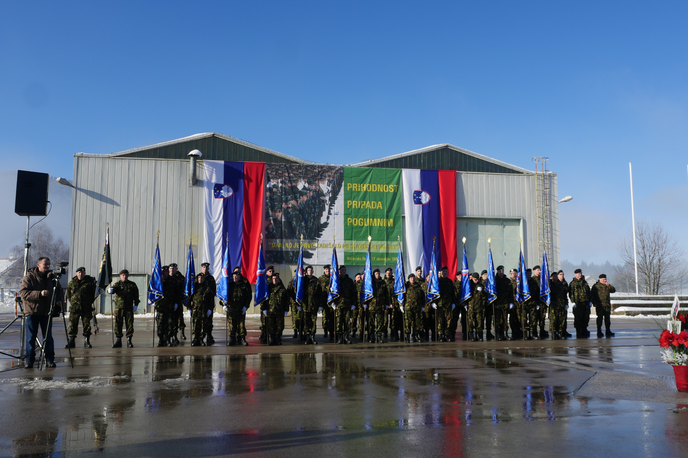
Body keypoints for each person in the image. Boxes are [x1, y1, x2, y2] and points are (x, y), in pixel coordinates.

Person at [20, 257, 63, 368]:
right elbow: (24, 293)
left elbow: (59, 291)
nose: (47, 266)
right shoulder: (29, 277)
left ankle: (49, 359)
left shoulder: (52, 278)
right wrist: (39, 294)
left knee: (48, 337)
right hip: (32, 312)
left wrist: (58, 301)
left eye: (48, 264)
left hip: (46, 313)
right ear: (38, 265)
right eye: (45, 264)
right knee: (31, 338)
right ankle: (29, 360)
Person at [65, 266, 97, 348]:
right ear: (76, 273)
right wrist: (72, 301)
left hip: (86, 308)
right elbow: (68, 294)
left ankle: (87, 341)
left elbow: (94, 293)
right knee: (73, 325)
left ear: (84, 273)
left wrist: (89, 302)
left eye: (82, 272)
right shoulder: (72, 282)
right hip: (75, 308)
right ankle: (71, 341)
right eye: (79, 272)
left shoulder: (89, 282)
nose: (80, 274)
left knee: (87, 325)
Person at [109, 269, 140, 348]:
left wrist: (136, 304)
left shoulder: (132, 285)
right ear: (120, 276)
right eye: (123, 275)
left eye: (126, 275)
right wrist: (110, 291)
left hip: (129, 308)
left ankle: (129, 340)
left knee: (129, 324)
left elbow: (136, 296)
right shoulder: (117, 284)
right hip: (119, 308)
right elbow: (113, 290)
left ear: (128, 275)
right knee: (118, 324)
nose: (124, 276)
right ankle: (118, 340)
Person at [190, 273, 214, 346]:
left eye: (202, 278)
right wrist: (189, 308)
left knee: (203, 325)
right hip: (195, 310)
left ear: (204, 279)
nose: (200, 279)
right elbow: (189, 298)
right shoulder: (193, 288)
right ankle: (195, 339)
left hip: (204, 310)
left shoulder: (207, 288)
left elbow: (211, 300)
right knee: (195, 325)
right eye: (199, 278)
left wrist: (210, 309)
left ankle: (201, 339)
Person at [266, 273, 289, 345]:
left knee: (280, 326)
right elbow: (264, 299)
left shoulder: (282, 289)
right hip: (271, 310)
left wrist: (286, 310)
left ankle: (278, 338)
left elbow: (286, 300)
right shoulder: (268, 288)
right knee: (271, 325)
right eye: (273, 279)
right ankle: (272, 339)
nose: (274, 280)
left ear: (278, 279)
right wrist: (264, 308)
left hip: (280, 310)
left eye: (276, 279)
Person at [569, 269, 592, 338]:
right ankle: (578, 331)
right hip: (578, 304)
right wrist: (573, 302)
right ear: (575, 274)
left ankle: (584, 330)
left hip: (585, 303)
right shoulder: (572, 283)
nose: (580, 275)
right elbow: (571, 293)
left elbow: (589, 292)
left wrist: (590, 301)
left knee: (586, 318)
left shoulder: (585, 283)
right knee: (578, 319)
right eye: (578, 274)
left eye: (580, 273)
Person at [199, 262, 217, 345]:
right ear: (201, 268)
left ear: (208, 268)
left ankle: (209, 336)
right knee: (199, 322)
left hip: (208, 303)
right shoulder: (198, 277)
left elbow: (213, 292)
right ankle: (199, 338)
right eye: (203, 267)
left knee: (209, 321)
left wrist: (210, 307)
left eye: (206, 267)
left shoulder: (211, 279)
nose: (205, 268)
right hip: (199, 305)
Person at [404, 273, 424, 342]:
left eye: (413, 278)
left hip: (417, 307)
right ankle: (407, 336)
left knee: (417, 322)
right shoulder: (406, 286)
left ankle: (416, 335)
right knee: (408, 322)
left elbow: (422, 296)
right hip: (408, 307)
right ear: (409, 279)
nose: (412, 279)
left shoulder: (418, 286)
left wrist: (422, 306)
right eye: (411, 278)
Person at [169, 263, 186, 341]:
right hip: (169, 302)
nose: (172, 270)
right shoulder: (166, 277)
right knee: (171, 319)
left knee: (179, 318)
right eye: (171, 268)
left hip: (178, 301)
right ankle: (172, 335)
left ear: (176, 269)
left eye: (174, 268)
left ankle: (182, 333)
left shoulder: (180, 278)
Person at [549, 270, 569, 340]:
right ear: (551, 277)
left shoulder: (561, 284)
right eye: (553, 276)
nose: (555, 277)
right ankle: (553, 333)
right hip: (553, 306)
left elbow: (564, 295)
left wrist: (566, 304)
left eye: (556, 276)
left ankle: (560, 333)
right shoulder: (549, 285)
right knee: (553, 320)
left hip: (561, 305)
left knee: (561, 320)